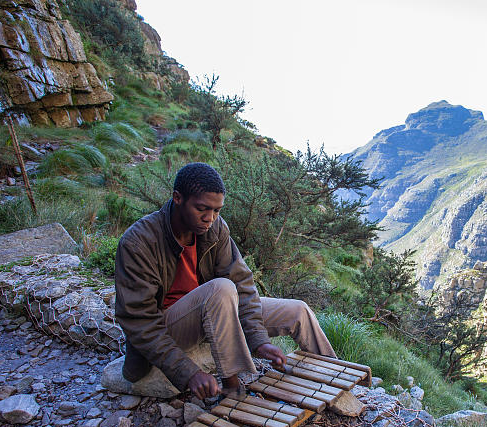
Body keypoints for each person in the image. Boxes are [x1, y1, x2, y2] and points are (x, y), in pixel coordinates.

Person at [114, 162, 337, 401]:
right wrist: (187, 372)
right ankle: (232, 387)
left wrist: (259, 340)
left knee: (298, 311)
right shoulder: (138, 243)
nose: (209, 218)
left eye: (217, 211)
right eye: (202, 209)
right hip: (173, 327)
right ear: (177, 198)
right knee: (220, 289)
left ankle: (335, 378)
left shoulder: (215, 229)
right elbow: (140, 322)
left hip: (216, 315)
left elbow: (242, 284)